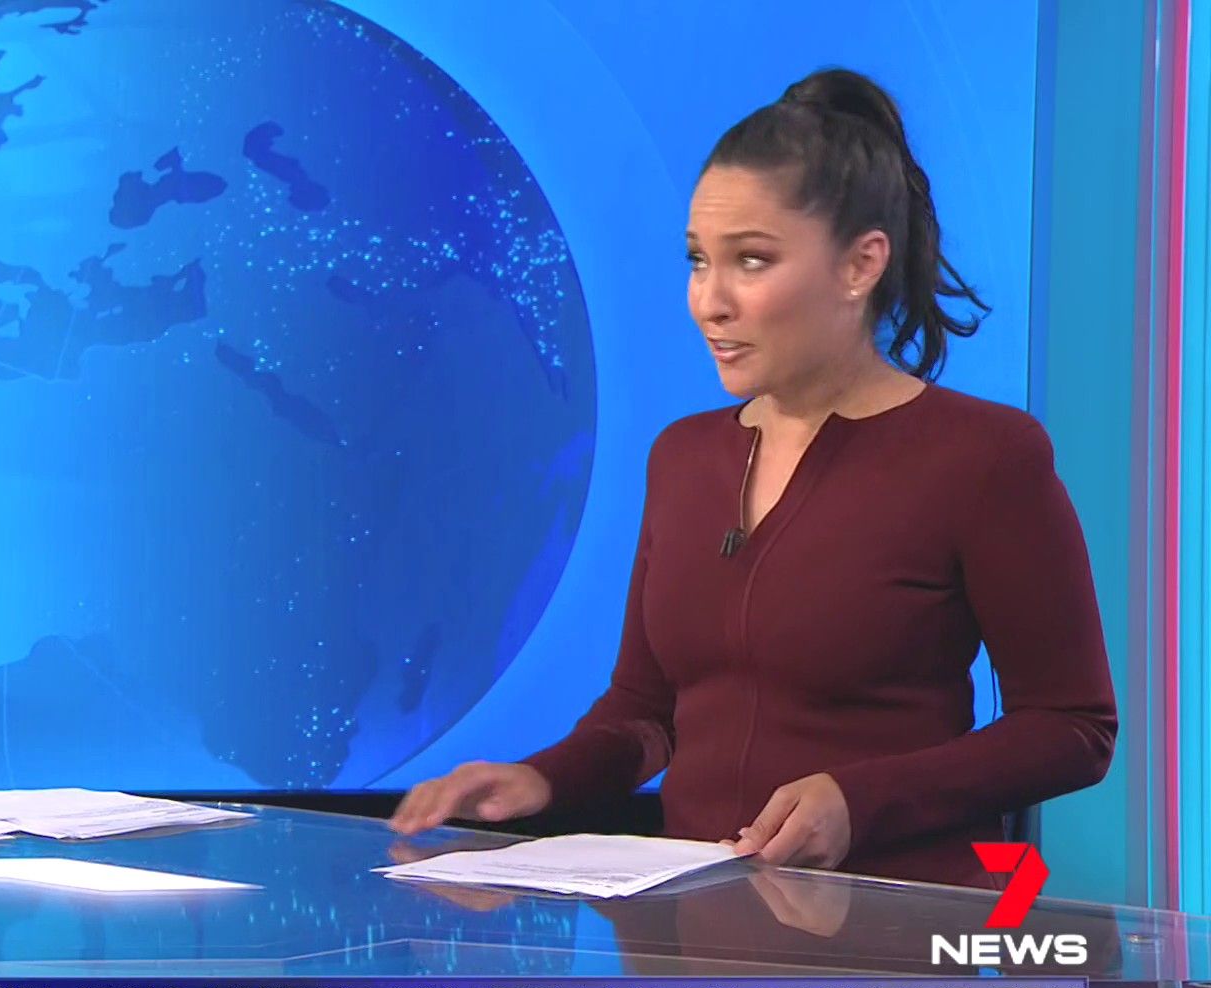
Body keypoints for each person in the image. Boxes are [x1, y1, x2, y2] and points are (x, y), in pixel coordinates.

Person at [388, 69, 1116, 888]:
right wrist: (541, 780)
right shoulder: (682, 457)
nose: (710, 301)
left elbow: (1072, 727)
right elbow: (646, 715)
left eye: (752, 261)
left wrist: (860, 801)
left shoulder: (984, 458)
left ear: (861, 265)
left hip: (896, 927)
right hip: (691, 928)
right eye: (698, 261)